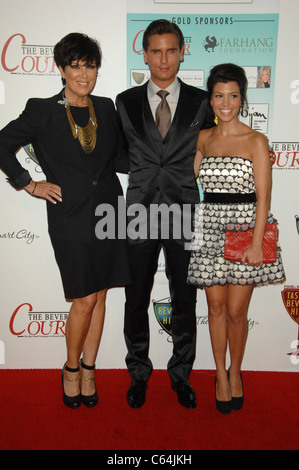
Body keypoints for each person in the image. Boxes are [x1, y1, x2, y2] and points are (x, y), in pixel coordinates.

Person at [0, 33, 131, 409]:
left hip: (110, 210)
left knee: (102, 293)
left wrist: (163, 160)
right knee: (84, 299)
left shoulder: (106, 108)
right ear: (60, 68)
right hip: (69, 215)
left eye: (90, 65)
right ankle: (71, 368)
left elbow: (119, 159)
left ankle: (90, 369)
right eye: (75, 66)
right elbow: (2, 144)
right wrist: (29, 184)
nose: (84, 74)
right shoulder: (41, 110)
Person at [116, 19, 216, 409]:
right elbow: (114, 154)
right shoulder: (124, 101)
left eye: (171, 51)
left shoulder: (201, 101)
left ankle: (181, 374)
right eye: (155, 51)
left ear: (182, 52)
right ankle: (138, 372)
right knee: (135, 297)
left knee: (184, 300)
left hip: (185, 214)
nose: (163, 59)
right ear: (144, 54)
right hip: (138, 213)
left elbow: (219, 145)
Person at [187, 63, 285, 414]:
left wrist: (258, 243)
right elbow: (184, 171)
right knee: (214, 308)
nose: (225, 103)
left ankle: (237, 371)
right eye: (218, 95)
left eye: (232, 95)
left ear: (242, 98)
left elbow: (265, 198)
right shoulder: (202, 138)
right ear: (210, 99)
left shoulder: (256, 140)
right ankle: (219, 375)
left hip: (245, 229)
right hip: (210, 226)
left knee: (235, 310)